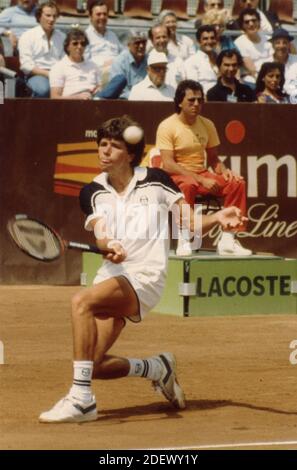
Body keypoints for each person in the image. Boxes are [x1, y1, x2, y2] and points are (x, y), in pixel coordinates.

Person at [38, 115, 247, 423]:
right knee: (94, 363)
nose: (104, 151)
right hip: (111, 277)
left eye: (114, 146)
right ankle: (156, 367)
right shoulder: (92, 192)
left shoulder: (157, 179)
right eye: (102, 144)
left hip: (146, 277)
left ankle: (82, 399)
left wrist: (217, 218)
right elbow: (101, 232)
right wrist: (111, 245)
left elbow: (187, 223)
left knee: (80, 302)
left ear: (131, 154)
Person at [156, 80, 252, 257]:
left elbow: (214, 160)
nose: (196, 105)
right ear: (179, 102)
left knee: (237, 183)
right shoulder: (167, 126)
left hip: (201, 174)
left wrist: (224, 171)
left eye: (200, 100)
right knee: (188, 185)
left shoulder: (207, 124)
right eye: (191, 100)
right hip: (174, 176)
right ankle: (184, 238)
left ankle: (228, 239)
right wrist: (200, 179)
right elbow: (168, 164)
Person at [18, 1, 65, 98]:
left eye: (54, 16)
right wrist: (49, 74)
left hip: (60, 76)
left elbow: (66, 61)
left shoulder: (62, 37)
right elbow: (26, 65)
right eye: (48, 15)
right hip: (36, 76)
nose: (51, 19)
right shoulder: (28, 36)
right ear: (39, 16)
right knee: (44, 89)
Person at [49, 29, 102, 100]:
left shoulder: (94, 66)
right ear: (67, 47)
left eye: (83, 44)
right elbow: (55, 97)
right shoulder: (58, 68)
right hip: (70, 106)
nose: (79, 47)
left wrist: (98, 89)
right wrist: (77, 97)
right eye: (75, 43)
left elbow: (99, 86)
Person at [85, 0, 123, 87]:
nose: (102, 17)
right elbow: (84, 62)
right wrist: (104, 64)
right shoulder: (85, 37)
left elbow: (123, 54)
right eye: (98, 14)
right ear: (90, 16)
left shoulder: (112, 35)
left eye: (105, 14)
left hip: (117, 71)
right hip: (98, 74)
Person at [234, 8, 273, 87]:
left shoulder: (268, 39)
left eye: (254, 20)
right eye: (247, 22)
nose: (251, 24)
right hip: (254, 81)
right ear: (242, 25)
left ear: (259, 22)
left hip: (273, 78)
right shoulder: (239, 43)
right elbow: (252, 70)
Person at [185, 25, 218, 94]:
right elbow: (194, 88)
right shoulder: (192, 62)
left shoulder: (221, 59)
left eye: (212, 38)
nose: (210, 41)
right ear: (198, 41)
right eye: (205, 39)